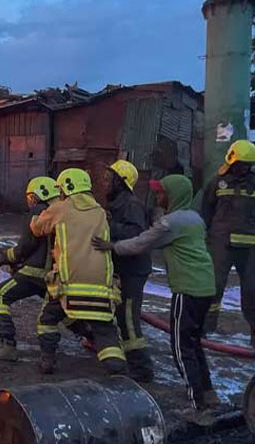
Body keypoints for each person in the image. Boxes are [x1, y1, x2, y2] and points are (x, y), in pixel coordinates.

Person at [94, 175, 219, 424]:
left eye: (162, 193)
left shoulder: (171, 223)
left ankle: (199, 408)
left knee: (181, 348)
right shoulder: (194, 218)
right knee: (193, 343)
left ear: (173, 195)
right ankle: (209, 393)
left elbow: (141, 243)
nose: (158, 197)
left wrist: (112, 246)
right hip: (206, 286)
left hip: (187, 288)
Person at [30, 168, 124, 375]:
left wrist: (36, 214)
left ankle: (47, 361)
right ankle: (115, 365)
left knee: (47, 319)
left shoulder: (61, 208)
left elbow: (37, 228)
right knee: (104, 329)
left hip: (69, 285)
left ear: (65, 188)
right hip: (101, 287)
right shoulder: (100, 212)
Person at [0, 176, 59, 361]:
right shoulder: (61, 212)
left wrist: (3, 257)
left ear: (36, 196)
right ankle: (91, 337)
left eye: (29, 197)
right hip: (55, 275)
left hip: (34, 274)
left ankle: (7, 345)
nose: (29, 201)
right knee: (63, 310)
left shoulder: (38, 212)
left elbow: (25, 247)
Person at [201, 139, 255, 343]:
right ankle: (206, 328)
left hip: (250, 247)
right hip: (221, 244)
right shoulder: (217, 182)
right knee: (214, 286)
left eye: (246, 165)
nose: (242, 169)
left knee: (252, 291)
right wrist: (205, 236)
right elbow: (207, 210)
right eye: (239, 164)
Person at [106, 160, 154, 382]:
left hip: (133, 270)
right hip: (125, 269)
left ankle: (142, 368)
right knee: (121, 315)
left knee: (128, 317)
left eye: (110, 179)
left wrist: (108, 226)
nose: (106, 183)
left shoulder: (131, 205)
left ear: (121, 182)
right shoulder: (118, 203)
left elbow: (136, 235)